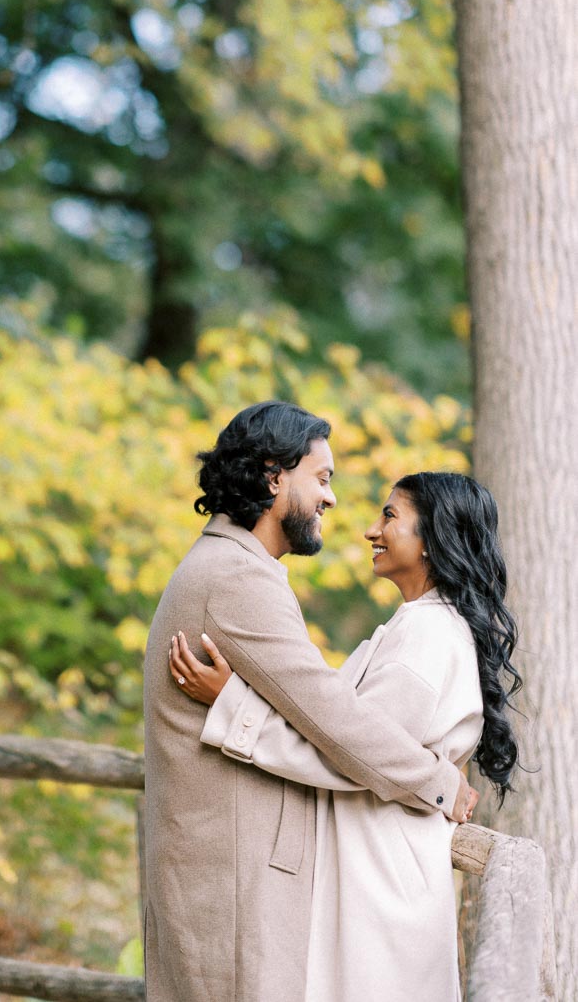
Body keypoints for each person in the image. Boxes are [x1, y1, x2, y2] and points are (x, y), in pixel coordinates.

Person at [143, 401, 479, 1002]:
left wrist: (233, 702)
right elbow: (336, 718)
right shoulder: (238, 577)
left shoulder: (233, 568)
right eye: (321, 479)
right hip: (233, 877)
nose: (330, 500)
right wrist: (440, 783)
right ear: (274, 476)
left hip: (234, 872)